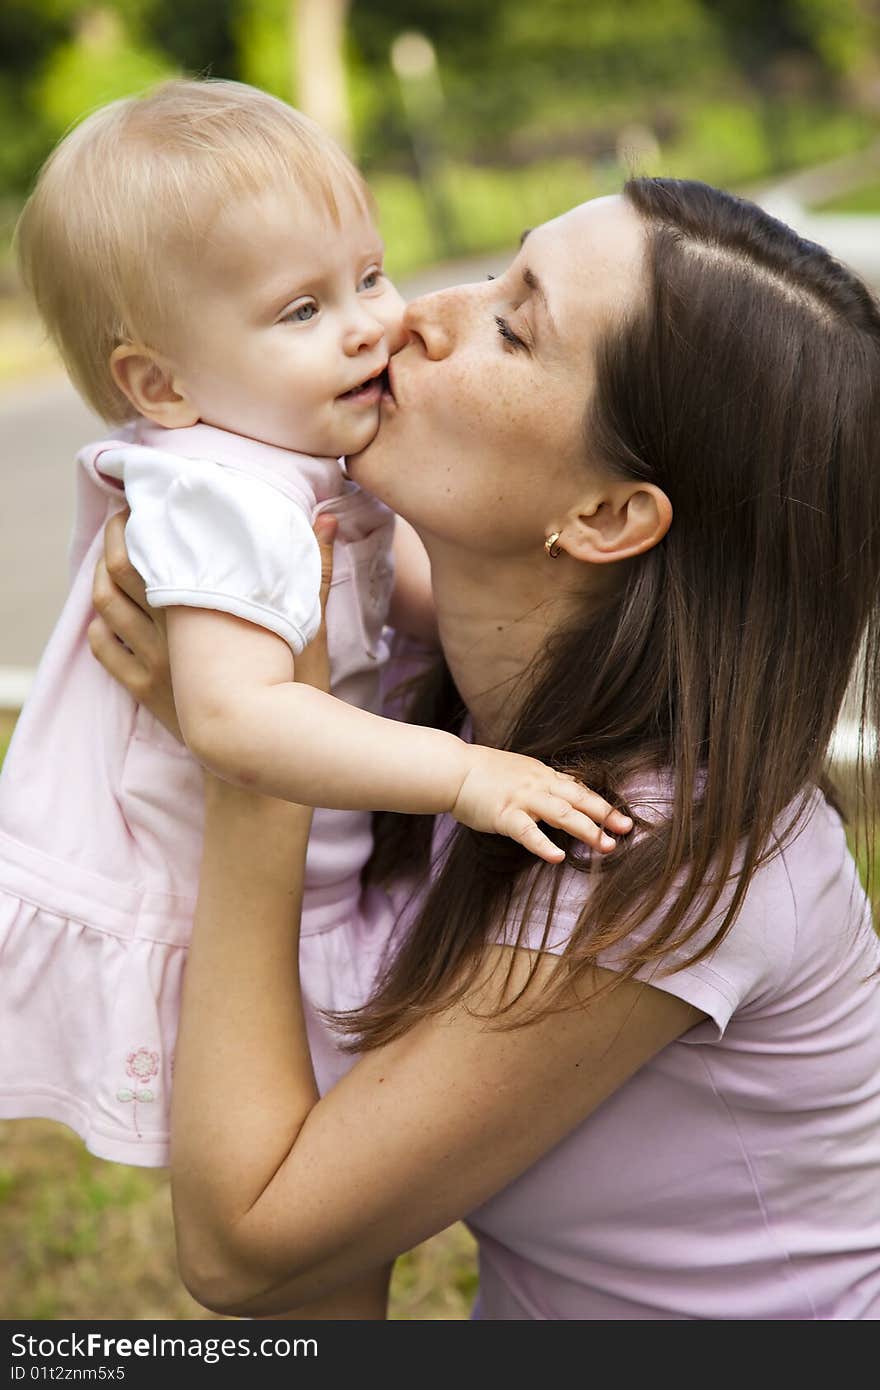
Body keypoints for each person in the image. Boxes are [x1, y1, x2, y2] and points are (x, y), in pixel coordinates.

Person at [91, 175, 880, 1320]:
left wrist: (259, 772)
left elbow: (249, 1251)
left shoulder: (647, 852)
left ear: (607, 518)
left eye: (512, 327)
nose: (418, 314)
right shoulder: (444, 710)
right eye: (495, 268)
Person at [0, 78, 628, 1170]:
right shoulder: (217, 498)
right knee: (292, 1197)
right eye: (302, 311)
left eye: (370, 276)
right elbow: (238, 718)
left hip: (302, 882)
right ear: (159, 383)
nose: (372, 325)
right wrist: (465, 775)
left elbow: (388, 607)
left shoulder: (293, 453)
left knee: (327, 1197)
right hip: (214, 910)